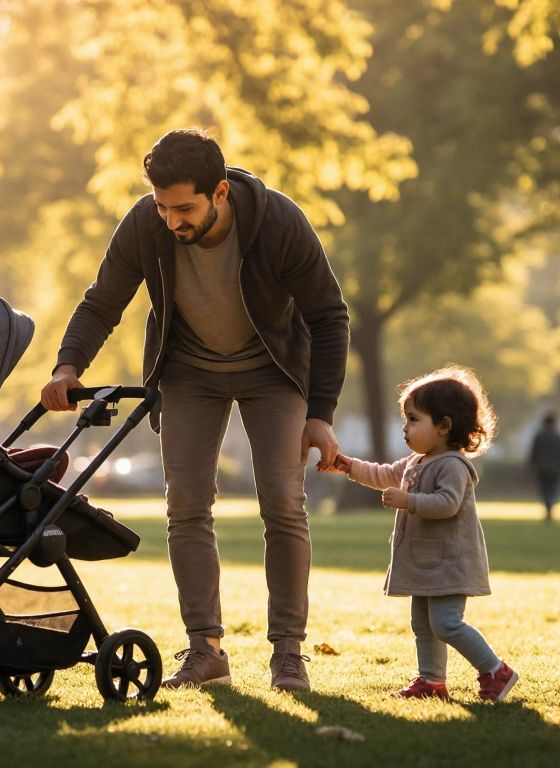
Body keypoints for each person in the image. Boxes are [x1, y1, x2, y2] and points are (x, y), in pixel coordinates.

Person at [40, 128, 349, 692]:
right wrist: (68, 366)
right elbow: (103, 299)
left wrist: (320, 412)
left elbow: (329, 317)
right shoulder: (146, 223)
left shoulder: (279, 223)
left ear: (221, 192)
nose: (172, 221)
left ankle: (288, 653)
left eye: (184, 208)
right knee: (185, 506)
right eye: (162, 207)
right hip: (188, 368)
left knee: (282, 503)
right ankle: (206, 649)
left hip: (273, 370)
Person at [324, 366, 518, 703]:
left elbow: (447, 503)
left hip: (450, 562)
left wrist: (408, 501)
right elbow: (383, 473)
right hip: (425, 562)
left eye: (414, 419)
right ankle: (432, 681)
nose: (405, 427)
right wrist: (349, 466)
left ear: (444, 426)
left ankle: (495, 670)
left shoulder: (453, 466)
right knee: (423, 625)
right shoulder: (416, 462)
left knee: (446, 623)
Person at [528, 413, 560, 522]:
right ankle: (550, 507)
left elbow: (533, 453)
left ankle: (548, 507)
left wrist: (531, 466)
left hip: (542, 469)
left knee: (544, 490)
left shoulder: (539, 436)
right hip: (555, 469)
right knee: (553, 490)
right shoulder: (558, 437)